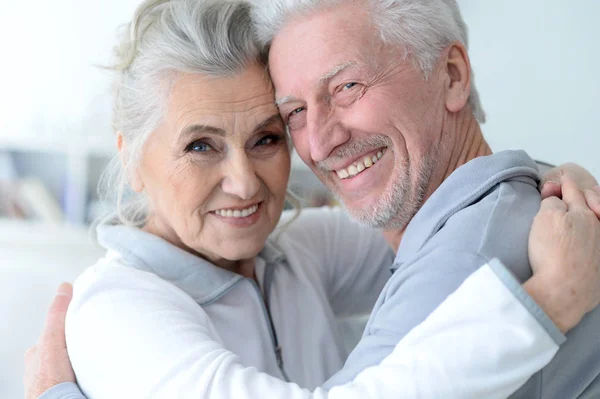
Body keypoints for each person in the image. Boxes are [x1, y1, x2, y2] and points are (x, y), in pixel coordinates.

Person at [24, 0, 600, 398]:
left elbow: (446, 208)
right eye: (201, 145)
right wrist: (550, 300)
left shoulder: (289, 255)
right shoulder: (117, 311)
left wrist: (554, 179)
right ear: (129, 155)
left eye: (268, 137)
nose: (245, 183)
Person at [251, 0, 600, 397]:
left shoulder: (464, 261)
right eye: (294, 111)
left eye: (347, 87)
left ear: (452, 76)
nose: (318, 142)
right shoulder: (520, 191)